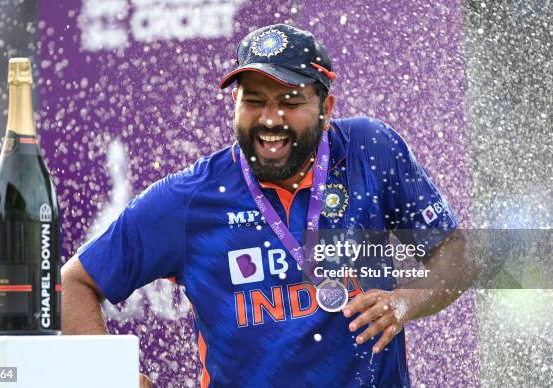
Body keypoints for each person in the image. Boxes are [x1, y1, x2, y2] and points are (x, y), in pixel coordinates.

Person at [62, 24, 471, 387]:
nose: (270, 119)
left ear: (326, 109)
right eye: (254, 101)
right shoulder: (189, 199)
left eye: (290, 102)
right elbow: (72, 284)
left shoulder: (370, 151)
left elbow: (455, 249)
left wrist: (405, 301)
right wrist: (110, 376)